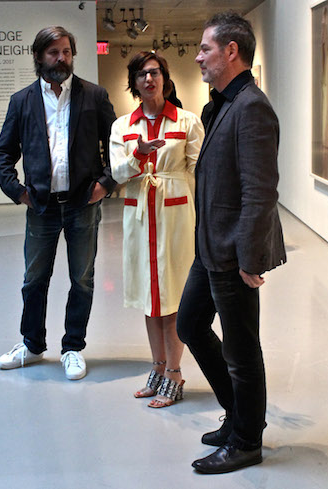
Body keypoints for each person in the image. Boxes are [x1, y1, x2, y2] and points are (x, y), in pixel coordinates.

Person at [176, 12, 286, 473]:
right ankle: (237, 413)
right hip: (210, 247)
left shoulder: (251, 106)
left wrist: (248, 256)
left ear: (231, 51)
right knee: (190, 326)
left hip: (233, 251)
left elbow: (260, 191)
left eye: (205, 49)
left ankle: (246, 441)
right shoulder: (222, 103)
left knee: (243, 350)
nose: (198, 56)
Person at [0, 26, 116, 380]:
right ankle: (32, 345)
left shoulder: (94, 96)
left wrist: (104, 184)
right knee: (34, 279)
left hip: (83, 204)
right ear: (38, 57)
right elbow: (4, 152)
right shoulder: (22, 101)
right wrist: (17, 191)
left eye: (65, 51)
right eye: (53, 52)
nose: (61, 58)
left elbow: (115, 145)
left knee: (82, 279)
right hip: (41, 207)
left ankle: (73, 347)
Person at [109, 52, 204, 408]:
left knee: (173, 295)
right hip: (139, 216)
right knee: (150, 300)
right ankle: (158, 366)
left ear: (165, 78)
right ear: (133, 82)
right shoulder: (123, 127)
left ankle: (175, 372)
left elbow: (199, 172)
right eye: (142, 74)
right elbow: (117, 173)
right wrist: (138, 155)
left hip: (175, 216)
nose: (149, 79)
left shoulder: (187, 121)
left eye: (156, 72)